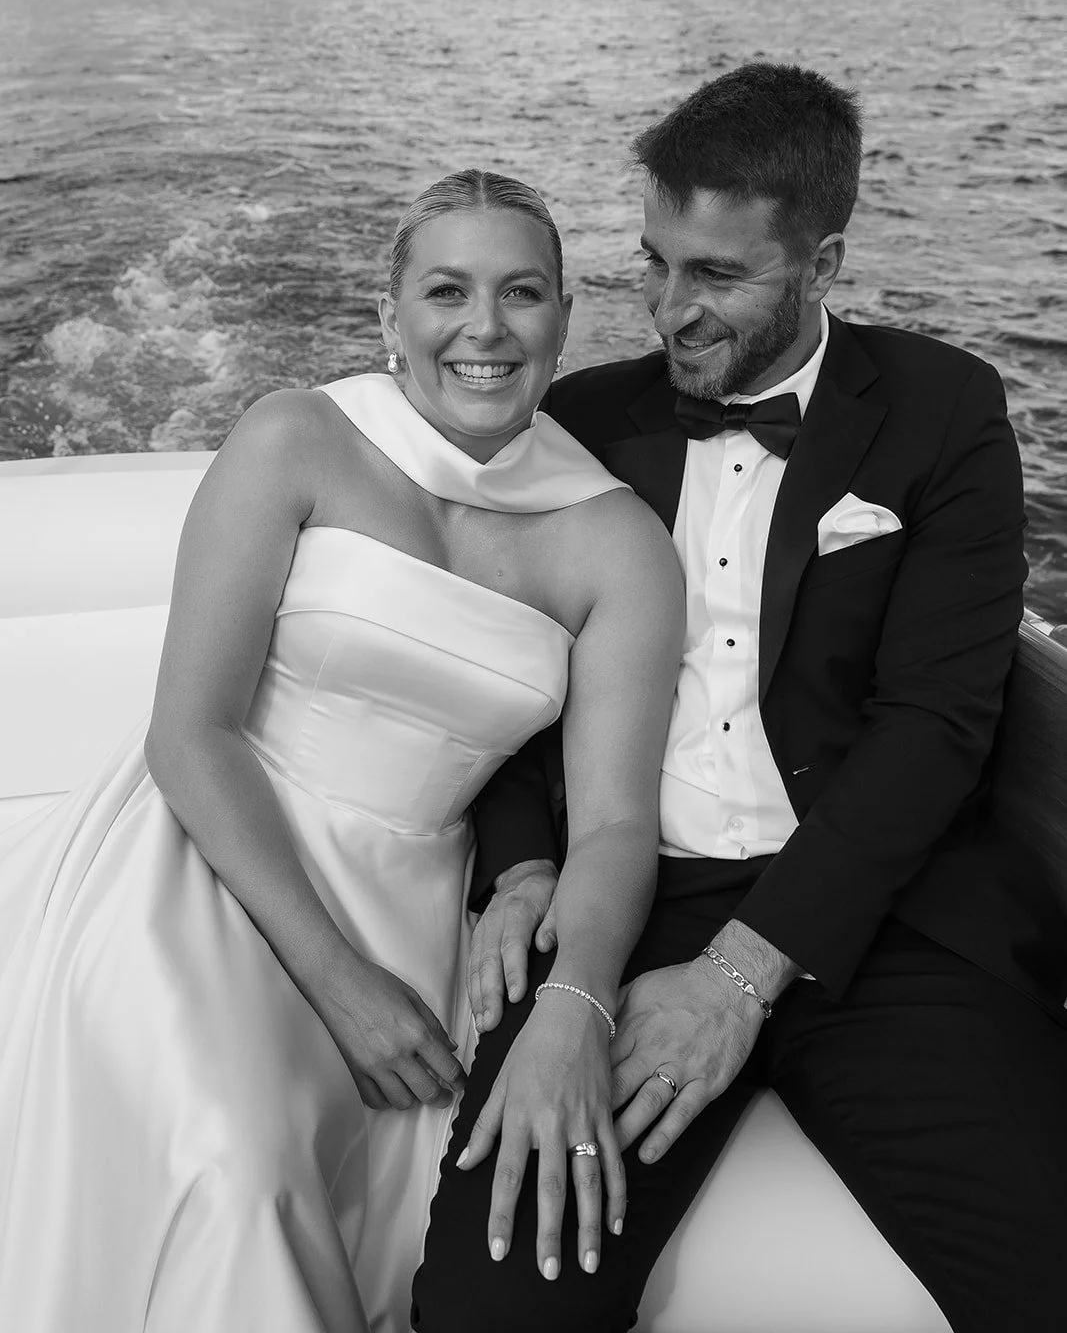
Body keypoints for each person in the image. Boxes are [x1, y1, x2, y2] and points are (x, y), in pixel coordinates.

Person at [412, 65, 1067, 1333]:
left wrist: (739, 978)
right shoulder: (585, 423)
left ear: (821, 263)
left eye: (715, 276)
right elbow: (490, 665)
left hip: (876, 920)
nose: (667, 310)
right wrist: (527, 866)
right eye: (654, 262)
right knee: (493, 1310)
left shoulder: (941, 410)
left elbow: (935, 728)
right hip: (625, 908)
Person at [0, 170, 685, 1333]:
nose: (484, 327)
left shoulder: (617, 544)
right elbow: (192, 730)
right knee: (234, 1159)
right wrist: (338, 982)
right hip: (204, 855)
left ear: (565, 316)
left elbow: (613, 825)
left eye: (521, 292)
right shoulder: (293, 438)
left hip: (416, 904)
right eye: (445, 291)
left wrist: (578, 997)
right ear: (389, 318)